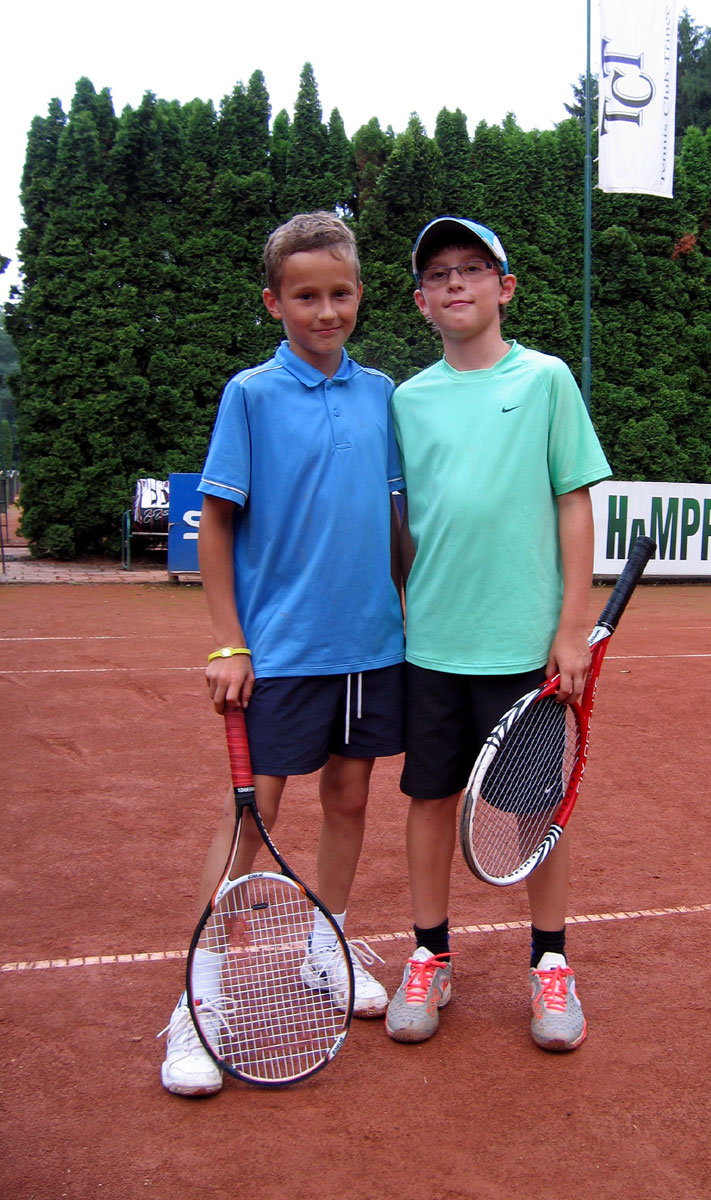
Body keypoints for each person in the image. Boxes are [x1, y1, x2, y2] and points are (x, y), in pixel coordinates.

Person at [159, 211, 405, 1095]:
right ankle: (198, 1004)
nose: (325, 311)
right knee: (250, 822)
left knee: (349, 797)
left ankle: (321, 947)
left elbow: (397, 524)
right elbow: (218, 523)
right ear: (274, 303)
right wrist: (229, 640)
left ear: (360, 294)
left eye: (339, 293)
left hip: (371, 648)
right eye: (305, 296)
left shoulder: (384, 394)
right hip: (280, 655)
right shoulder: (251, 395)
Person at [386, 217, 611, 1052]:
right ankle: (430, 955)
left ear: (505, 287)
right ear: (421, 301)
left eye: (474, 268)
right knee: (428, 800)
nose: (456, 282)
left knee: (533, 811)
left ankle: (550, 964)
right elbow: (402, 525)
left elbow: (573, 503)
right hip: (431, 646)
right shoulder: (406, 401)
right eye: (438, 273)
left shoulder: (547, 379)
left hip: (524, 649)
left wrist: (572, 628)